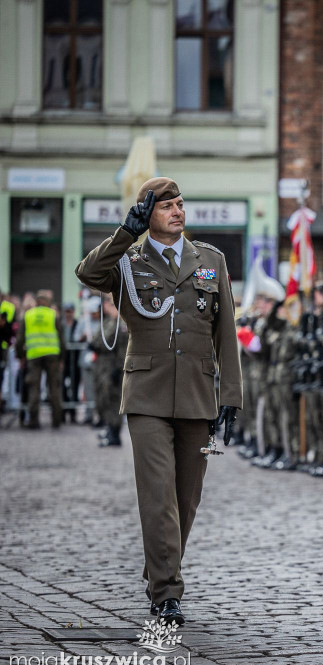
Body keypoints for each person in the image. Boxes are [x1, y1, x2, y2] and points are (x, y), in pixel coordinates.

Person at [75, 177, 242, 625]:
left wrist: (231, 395)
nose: (177, 211)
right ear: (147, 214)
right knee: (157, 496)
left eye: (181, 204)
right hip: (146, 393)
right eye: (167, 206)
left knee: (187, 498)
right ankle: (167, 592)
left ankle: (159, 569)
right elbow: (88, 273)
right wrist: (124, 234)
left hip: (197, 392)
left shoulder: (210, 259)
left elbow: (226, 330)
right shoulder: (127, 260)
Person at [17, 289, 64, 429]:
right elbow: (62, 339)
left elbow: (20, 340)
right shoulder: (53, 315)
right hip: (52, 356)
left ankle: (33, 421)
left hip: (34, 356)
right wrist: (62, 358)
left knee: (34, 389)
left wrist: (21, 356)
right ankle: (56, 420)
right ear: (47, 303)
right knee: (54, 388)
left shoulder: (28, 315)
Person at [90, 294, 128, 446]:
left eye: (110, 305)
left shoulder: (121, 324)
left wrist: (118, 369)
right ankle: (109, 429)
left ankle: (114, 433)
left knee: (113, 401)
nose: (106, 307)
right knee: (104, 399)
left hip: (114, 366)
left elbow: (122, 350)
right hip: (104, 366)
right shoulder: (110, 322)